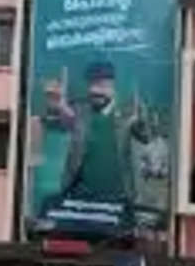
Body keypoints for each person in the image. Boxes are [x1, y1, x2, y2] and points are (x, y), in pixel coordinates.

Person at [42, 62, 153, 226]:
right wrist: (53, 104)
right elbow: (54, 124)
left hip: (119, 199)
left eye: (102, 85)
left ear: (113, 87)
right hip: (81, 199)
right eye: (92, 85)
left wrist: (142, 115)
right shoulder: (79, 109)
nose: (95, 91)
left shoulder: (128, 112)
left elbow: (146, 137)